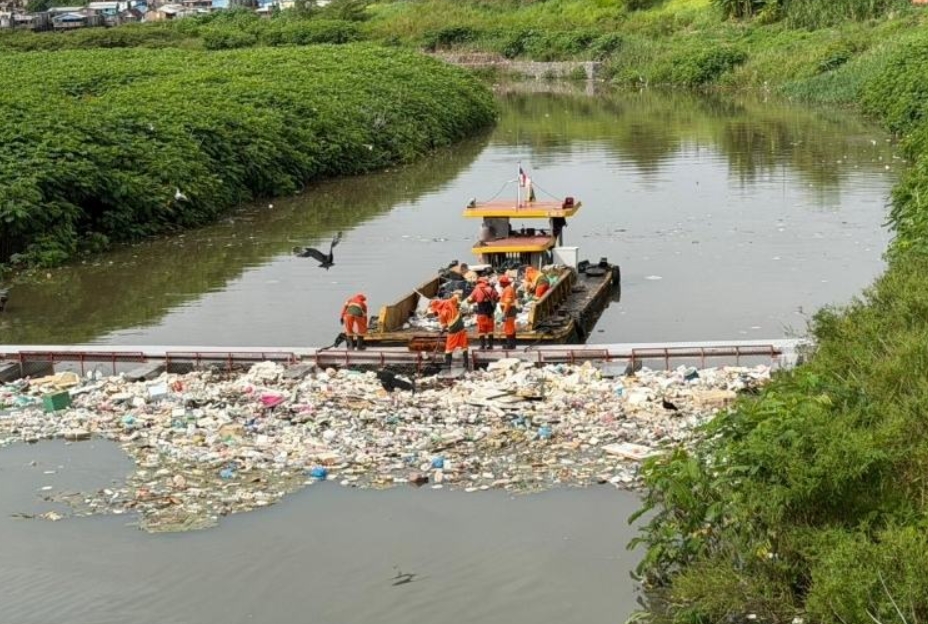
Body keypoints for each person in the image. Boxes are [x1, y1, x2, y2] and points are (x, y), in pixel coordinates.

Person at [431, 294, 469, 370]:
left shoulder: (441, 313)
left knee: (449, 347)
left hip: (453, 330)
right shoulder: (449, 301)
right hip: (461, 326)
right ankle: (466, 363)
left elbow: (444, 325)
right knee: (464, 345)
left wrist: (442, 331)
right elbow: (456, 296)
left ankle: (448, 364)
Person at [468, 276, 498, 350]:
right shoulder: (491, 289)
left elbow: (469, 300)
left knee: (482, 330)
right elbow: (497, 297)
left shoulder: (476, 289)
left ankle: (482, 346)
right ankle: (490, 346)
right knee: (490, 330)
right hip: (490, 314)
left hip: (481, 313)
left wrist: (476, 300)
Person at [498, 275, 517, 350]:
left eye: (500, 282)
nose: (499, 284)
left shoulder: (508, 289)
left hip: (509, 312)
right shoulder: (508, 288)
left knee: (508, 328)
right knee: (511, 328)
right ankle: (512, 345)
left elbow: (508, 302)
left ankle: (510, 346)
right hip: (510, 311)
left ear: (504, 283)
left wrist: (504, 313)